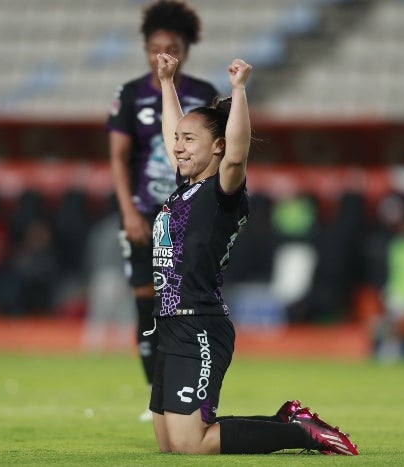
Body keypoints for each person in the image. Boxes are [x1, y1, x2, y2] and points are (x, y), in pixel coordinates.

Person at [147, 53, 359, 455]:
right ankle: (288, 420)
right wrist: (167, 82)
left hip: (199, 325)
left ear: (218, 147)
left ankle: (303, 434)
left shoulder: (221, 192)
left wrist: (239, 91)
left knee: (193, 444)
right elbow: (172, 131)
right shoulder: (186, 187)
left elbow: (239, 154)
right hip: (170, 323)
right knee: (170, 446)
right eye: (178, 140)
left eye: (189, 140)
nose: (178, 146)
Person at [106, 0, 219, 422]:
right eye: (154, 47)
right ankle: (156, 394)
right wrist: (129, 214)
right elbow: (119, 158)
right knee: (145, 304)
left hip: (185, 215)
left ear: (185, 50)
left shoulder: (202, 94)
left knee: (181, 304)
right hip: (140, 214)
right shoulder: (131, 95)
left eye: (170, 46)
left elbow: (216, 157)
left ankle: (184, 392)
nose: (161, 55)